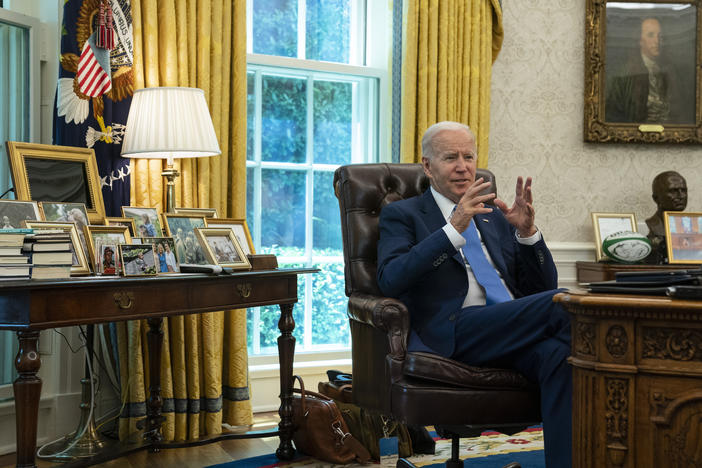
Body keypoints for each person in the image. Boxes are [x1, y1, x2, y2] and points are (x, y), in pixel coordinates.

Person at [376, 121, 571, 468]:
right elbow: (391, 278)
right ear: (427, 166)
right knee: (566, 306)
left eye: (469, 156)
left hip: (507, 327)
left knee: (559, 355)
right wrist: (452, 229)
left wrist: (527, 235)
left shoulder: (494, 215)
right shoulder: (402, 215)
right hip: (453, 330)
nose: (463, 166)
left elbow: (540, 289)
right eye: (451, 157)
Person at [605, 17, 689, 123]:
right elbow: (614, 115)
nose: (657, 41)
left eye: (660, 36)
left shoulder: (670, 71)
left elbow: (680, 113)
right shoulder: (625, 74)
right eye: (651, 35)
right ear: (640, 41)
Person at [645, 170, 687, 264]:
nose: (681, 196)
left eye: (684, 190)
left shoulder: (693, 225)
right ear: (656, 198)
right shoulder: (653, 226)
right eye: (673, 191)